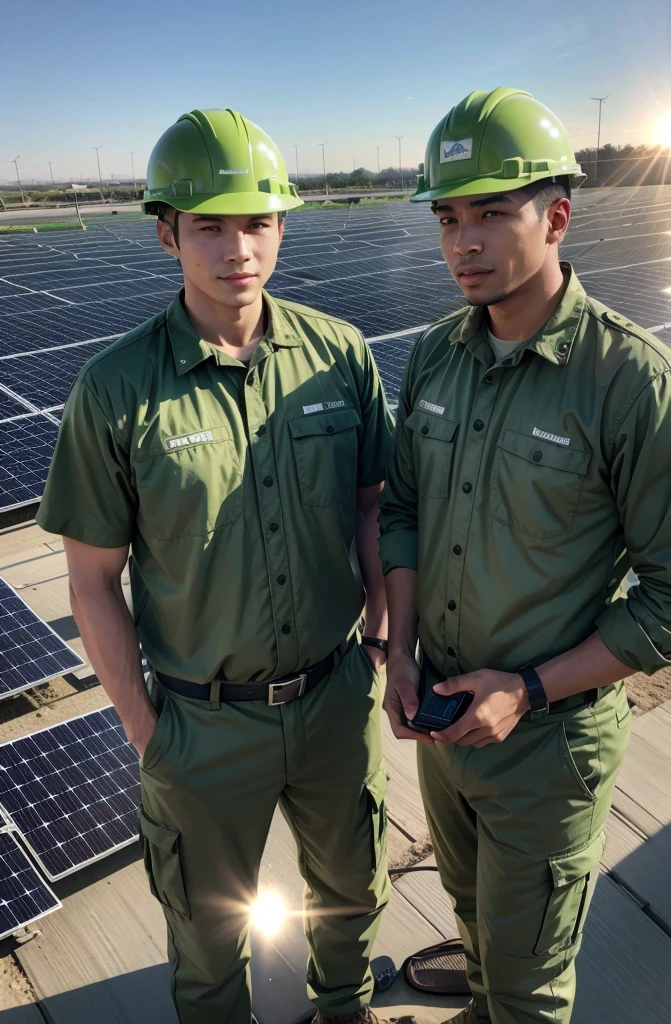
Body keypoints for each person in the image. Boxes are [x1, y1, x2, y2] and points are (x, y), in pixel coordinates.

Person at [37, 108, 396, 1024]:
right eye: (210, 225)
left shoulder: (338, 355)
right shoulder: (116, 389)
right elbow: (91, 581)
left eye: (257, 221)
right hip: (202, 725)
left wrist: (384, 632)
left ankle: (344, 1008)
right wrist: (150, 735)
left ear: (282, 224)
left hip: (333, 701)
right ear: (168, 232)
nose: (238, 247)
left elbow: (369, 505)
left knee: (352, 897)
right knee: (205, 947)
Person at [379, 88, 671, 1024]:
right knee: (477, 928)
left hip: (545, 749)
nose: (465, 242)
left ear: (557, 215)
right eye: (450, 216)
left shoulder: (635, 385)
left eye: (493, 211)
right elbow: (404, 510)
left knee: (530, 988)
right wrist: (402, 651)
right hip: (442, 729)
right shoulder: (435, 359)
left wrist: (526, 689)